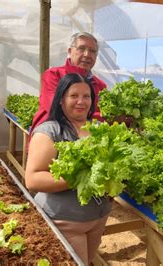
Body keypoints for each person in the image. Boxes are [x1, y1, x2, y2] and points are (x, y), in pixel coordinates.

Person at [25, 73, 111, 265]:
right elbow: (32, 180)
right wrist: (81, 179)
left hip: (98, 217)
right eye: (74, 96)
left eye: (87, 96)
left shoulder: (98, 129)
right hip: (65, 221)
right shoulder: (49, 132)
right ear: (61, 100)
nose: (81, 101)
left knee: (87, 260)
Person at [30, 32, 107, 134]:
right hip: (54, 135)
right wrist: (104, 117)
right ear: (70, 51)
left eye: (92, 51)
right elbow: (56, 108)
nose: (87, 54)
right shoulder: (54, 75)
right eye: (81, 48)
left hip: (87, 138)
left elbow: (105, 114)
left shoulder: (100, 85)